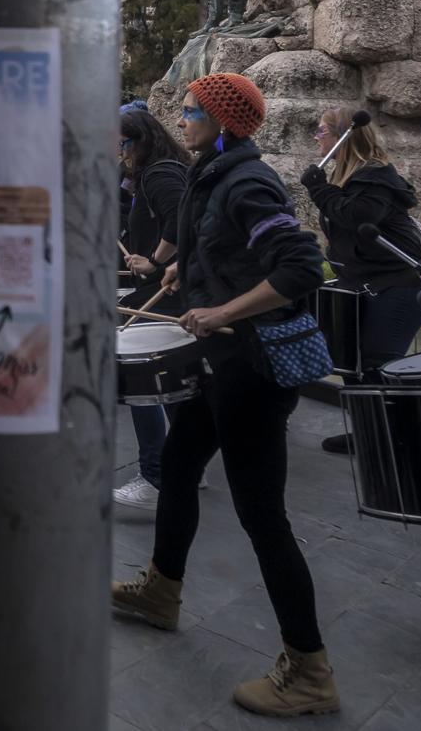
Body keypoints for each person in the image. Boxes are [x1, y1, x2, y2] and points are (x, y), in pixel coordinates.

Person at [111, 72, 338, 717]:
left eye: (190, 110)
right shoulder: (212, 174)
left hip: (252, 370)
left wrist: (220, 311)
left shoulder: (247, 180)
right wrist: (193, 267)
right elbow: (227, 247)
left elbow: (299, 269)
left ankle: (309, 666)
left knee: (261, 516)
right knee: (179, 470)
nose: (180, 118)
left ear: (221, 121)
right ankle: (161, 591)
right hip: (222, 365)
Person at [298, 107, 421, 453]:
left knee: (378, 362)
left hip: (398, 285)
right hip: (362, 285)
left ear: (344, 135)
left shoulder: (376, 176)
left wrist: (318, 189)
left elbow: (360, 217)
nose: (317, 136)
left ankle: (399, 437)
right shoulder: (349, 178)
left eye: (322, 130)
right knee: (352, 362)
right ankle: (369, 433)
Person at [112, 105, 190, 512]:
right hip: (166, 284)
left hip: (167, 286)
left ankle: (156, 475)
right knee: (170, 381)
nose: (120, 152)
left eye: (122, 144)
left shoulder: (159, 172)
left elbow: (181, 220)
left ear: (140, 140)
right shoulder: (159, 169)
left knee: (140, 377)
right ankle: (185, 465)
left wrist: (155, 261)